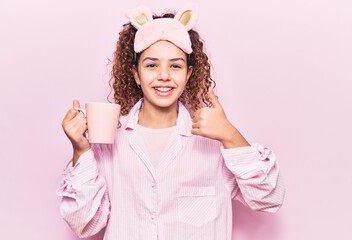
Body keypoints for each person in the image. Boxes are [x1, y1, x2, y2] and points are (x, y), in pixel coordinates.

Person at [57, 4, 285, 240]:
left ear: (188, 74)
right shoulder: (109, 141)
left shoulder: (216, 141)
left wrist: (231, 136)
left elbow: (269, 198)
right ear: (136, 74)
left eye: (175, 65)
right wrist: (81, 151)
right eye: (152, 65)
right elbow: (83, 224)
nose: (164, 75)